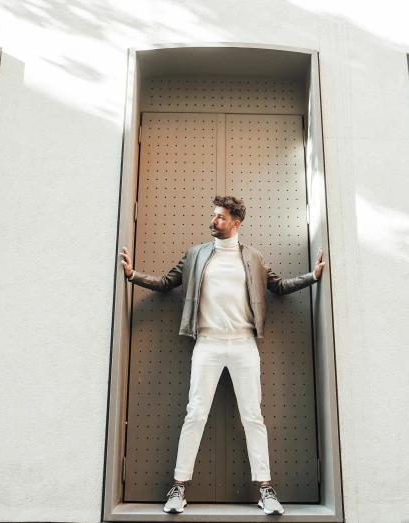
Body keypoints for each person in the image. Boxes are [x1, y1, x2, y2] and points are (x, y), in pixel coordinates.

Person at [119, 195, 325, 515]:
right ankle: (178, 488)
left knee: (252, 416)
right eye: (213, 216)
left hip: (244, 345)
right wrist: (133, 275)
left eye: (219, 217)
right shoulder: (196, 255)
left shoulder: (253, 258)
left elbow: (279, 286)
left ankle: (266, 489)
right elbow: (165, 283)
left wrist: (312, 277)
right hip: (208, 344)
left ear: (235, 223)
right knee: (196, 413)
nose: (212, 221)